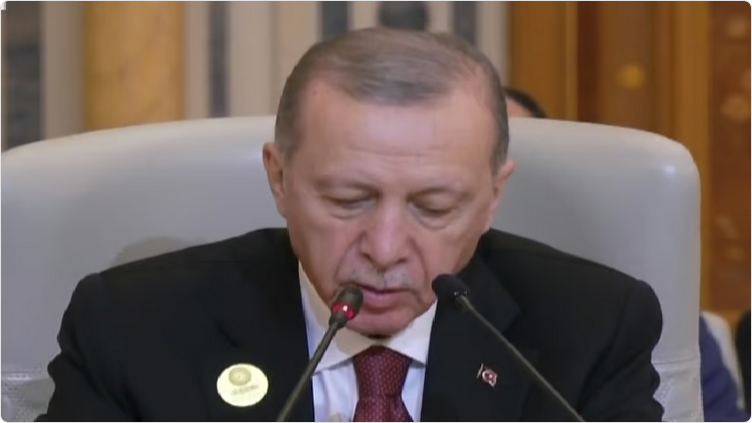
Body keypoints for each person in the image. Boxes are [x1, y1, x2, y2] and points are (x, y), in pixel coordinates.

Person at [39, 28, 663, 422]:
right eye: (348, 200)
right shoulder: (132, 330)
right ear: (279, 179)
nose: (386, 250)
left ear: (493, 197)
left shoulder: (591, 331)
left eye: (432, 208)